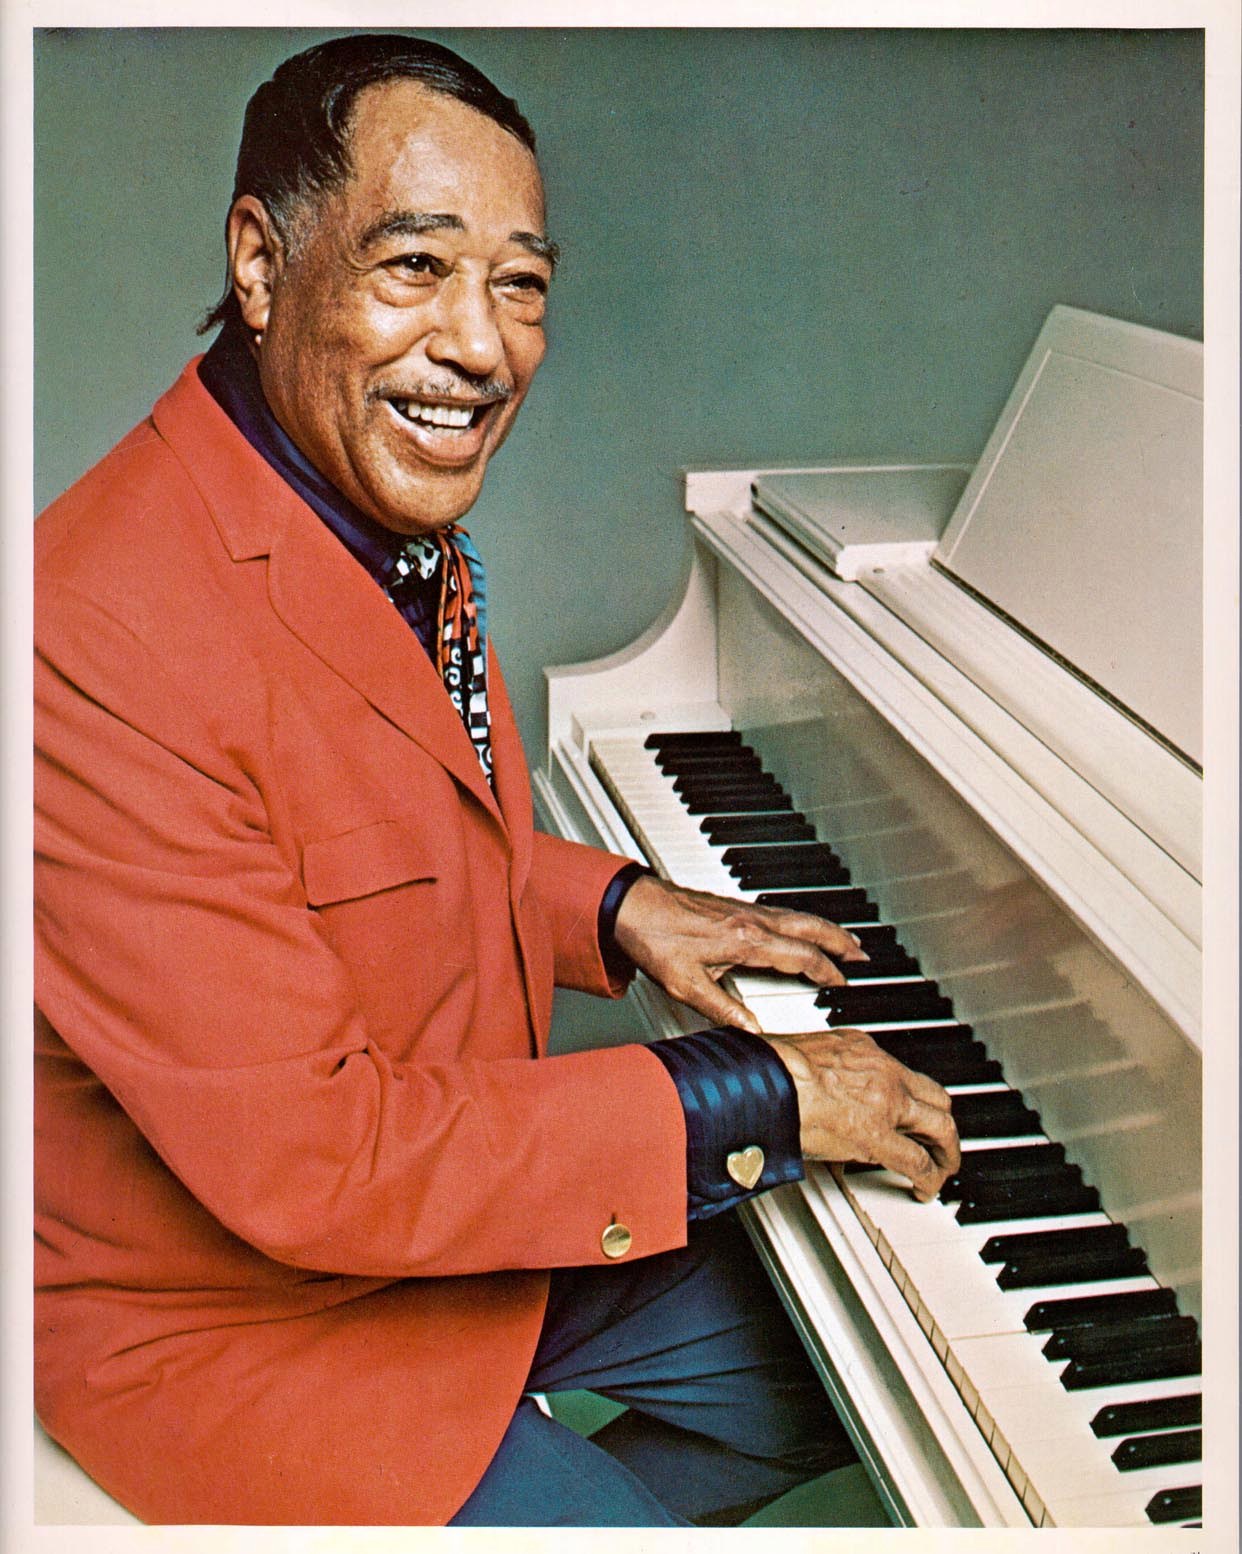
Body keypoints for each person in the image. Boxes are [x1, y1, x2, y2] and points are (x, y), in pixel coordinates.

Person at [33, 35, 959, 1527]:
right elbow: (315, 1162)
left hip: (433, 1236)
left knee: (863, 1372)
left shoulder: (340, 497)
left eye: (519, 283)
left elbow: (351, 830)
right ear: (262, 265)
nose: (480, 345)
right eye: (415, 267)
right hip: (236, 1322)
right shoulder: (85, 630)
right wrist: (762, 1088)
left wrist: (612, 905)